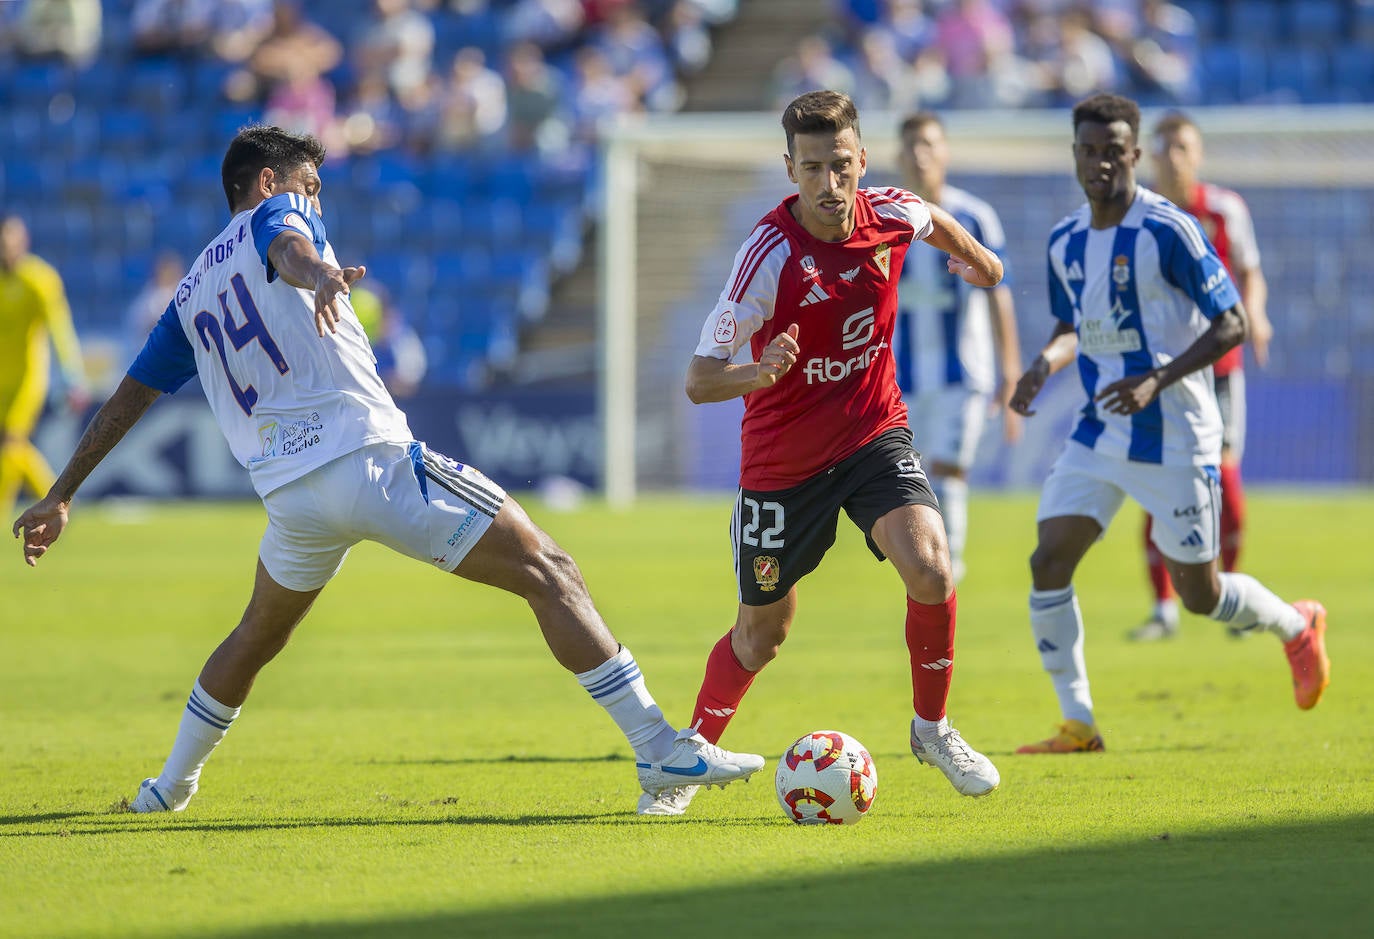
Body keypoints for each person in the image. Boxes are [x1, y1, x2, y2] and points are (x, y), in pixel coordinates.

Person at [12, 125, 764, 813]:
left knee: (254, 635)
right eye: (310, 187)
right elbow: (287, 244)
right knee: (549, 568)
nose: (316, 202)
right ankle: (660, 749)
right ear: (268, 183)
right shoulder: (279, 218)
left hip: (290, 496)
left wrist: (61, 493)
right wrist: (321, 275)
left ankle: (167, 787)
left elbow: (127, 399)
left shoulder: (189, 293)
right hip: (367, 462)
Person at [646, 90, 1005, 818]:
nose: (829, 184)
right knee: (761, 633)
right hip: (783, 467)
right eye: (812, 169)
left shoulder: (890, 212)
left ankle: (933, 729)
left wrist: (982, 264)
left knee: (932, 566)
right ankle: (685, 760)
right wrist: (760, 372)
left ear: (862, 161)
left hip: (873, 434)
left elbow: (931, 220)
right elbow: (697, 379)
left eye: (841, 166)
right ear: (791, 170)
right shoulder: (768, 256)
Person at [1008, 94, 1328, 755]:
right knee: (1048, 559)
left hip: (1178, 433)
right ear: (1076, 156)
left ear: (1135, 155)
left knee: (1201, 595)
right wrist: (1043, 362)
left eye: (1114, 151)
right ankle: (1078, 721)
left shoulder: (1169, 230)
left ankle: (1295, 625)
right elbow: (1074, 325)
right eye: (1088, 151)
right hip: (1100, 430)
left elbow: (1232, 320)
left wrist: (1157, 377)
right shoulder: (1065, 240)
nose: (1101, 163)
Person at [1130, 109, 1273, 641]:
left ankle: (1231, 593)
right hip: (1160, 373)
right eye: (1164, 148)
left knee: (1226, 480)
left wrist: (1256, 313)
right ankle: (1163, 608)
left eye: (1182, 148)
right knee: (1158, 483)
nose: (1172, 157)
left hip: (1217, 369)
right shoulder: (1137, 214)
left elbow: (1250, 272)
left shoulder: (1224, 210)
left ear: (1198, 155)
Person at [893, 111, 1022, 584]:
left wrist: (1010, 374)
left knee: (947, 468)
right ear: (898, 155)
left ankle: (953, 566)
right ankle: (930, 566)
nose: (920, 154)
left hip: (964, 374)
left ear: (945, 151)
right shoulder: (884, 219)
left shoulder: (974, 217)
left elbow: (998, 294)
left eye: (929, 144)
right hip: (900, 377)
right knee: (915, 480)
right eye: (911, 145)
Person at [0, 215, 88, 522]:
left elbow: (59, 328)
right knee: (14, 447)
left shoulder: (39, 279)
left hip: (28, 378)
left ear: (23, 243)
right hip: (2, 379)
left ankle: (25, 505)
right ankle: (58, 499)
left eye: (10, 241)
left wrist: (72, 374)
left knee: (11, 441)